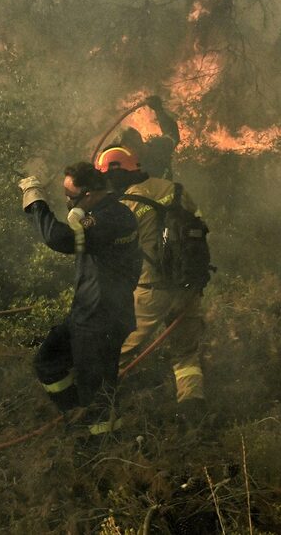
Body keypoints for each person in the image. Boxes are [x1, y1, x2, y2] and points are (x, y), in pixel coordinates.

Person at [19, 162, 140, 439]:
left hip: (102, 319)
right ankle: (74, 411)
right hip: (87, 314)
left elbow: (58, 238)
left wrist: (36, 202)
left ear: (90, 194)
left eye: (70, 197)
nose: (67, 202)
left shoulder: (110, 219)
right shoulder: (104, 212)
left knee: (97, 394)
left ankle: (104, 450)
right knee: (48, 361)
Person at [95, 145, 209, 424]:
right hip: (187, 287)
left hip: (150, 291)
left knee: (115, 353)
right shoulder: (175, 189)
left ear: (113, 174)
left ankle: (96, 412)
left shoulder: (126, 205)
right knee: (185, 354)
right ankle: (192, 410)